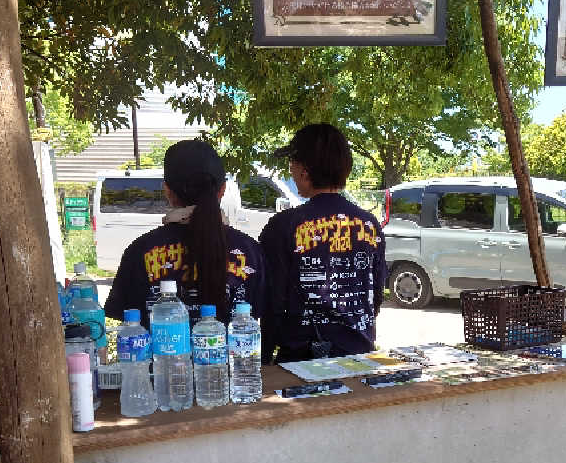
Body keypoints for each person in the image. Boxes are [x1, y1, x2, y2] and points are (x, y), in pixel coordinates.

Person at [259, 123, 387, 362]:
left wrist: (265, 359)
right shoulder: (369, 223)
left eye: (292, 163)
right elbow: (375, 294)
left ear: (304, 171)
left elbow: (272, 303)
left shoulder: (284, 225)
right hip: (358, 354)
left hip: (299, 361)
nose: (291, 170)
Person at [105, 139, 266, 328]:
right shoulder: (250, 251)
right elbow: (264, 315)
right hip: (239, 358)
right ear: (222, 190)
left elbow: (128, 327)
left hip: (161, 358)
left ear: (167, 191)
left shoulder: (139, 251)